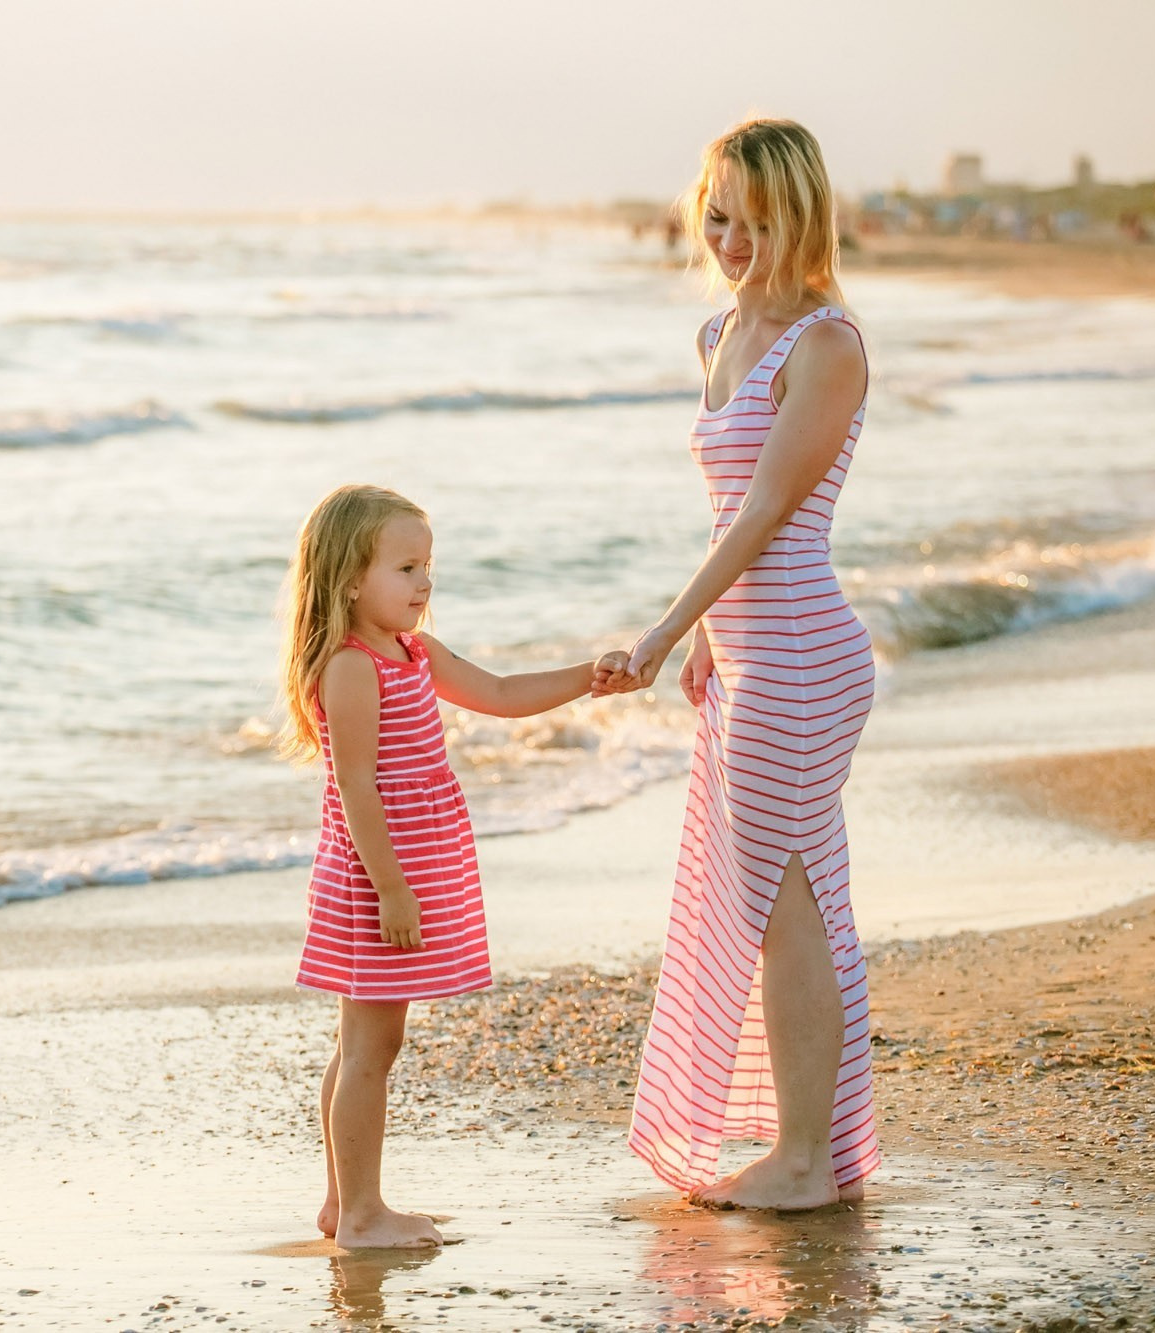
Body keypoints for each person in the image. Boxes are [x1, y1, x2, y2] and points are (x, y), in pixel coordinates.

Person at [596, 118, 881, 1211]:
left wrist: (665, 629)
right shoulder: (717, 332)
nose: (729, 238)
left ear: (799, 218)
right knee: (781, 900)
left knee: (786, 903)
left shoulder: (826, 344)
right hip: (753, 657)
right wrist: (712, 639)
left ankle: (804, 1159)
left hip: (804, 657)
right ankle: (814, 1151)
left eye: (755, 222)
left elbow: (768, 512)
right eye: (716, 215)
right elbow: (726, 507)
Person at [278, 483, 625, 1248]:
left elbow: (500, 692)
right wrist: (393, 891)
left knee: (366, 1043)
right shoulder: (352, 666)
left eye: (427, 565)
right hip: (380, 875)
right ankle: (363, 1213)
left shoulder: (413, 651)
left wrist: (586, 677)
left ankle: (344, 1204)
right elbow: (355, 786)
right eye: (405, 567)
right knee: (371, 1045)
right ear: (348, 579)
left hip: (410, 865)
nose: (425, 582)